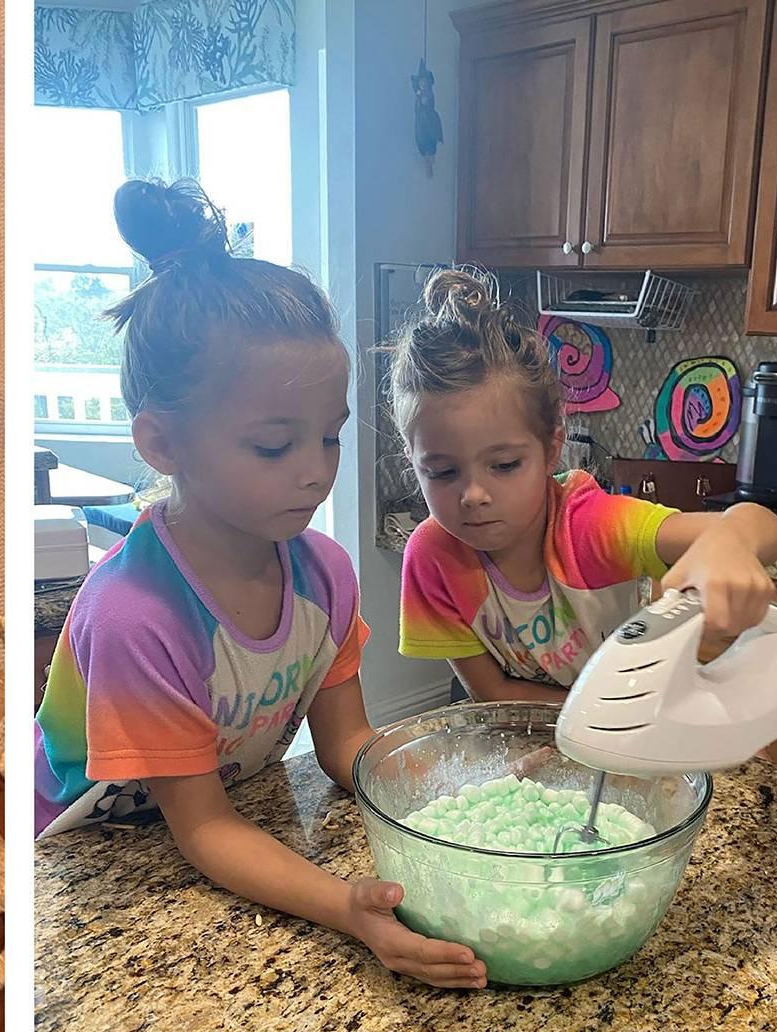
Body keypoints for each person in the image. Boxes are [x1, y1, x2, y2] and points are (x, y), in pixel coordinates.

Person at [35, 179, 485, 990]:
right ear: (162, 442)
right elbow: (203, 828)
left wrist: (461, 797)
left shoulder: (324, 575)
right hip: (96, 872)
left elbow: (348, 743)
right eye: (275, 447)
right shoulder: (137, 616)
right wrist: (349, 906)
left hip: (220, 832)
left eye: (329, 437)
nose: (314, 472)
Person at [392, 268, 777, 703]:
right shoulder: (433, 559)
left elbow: (763, 525)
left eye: (504, 465)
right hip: (543, 728)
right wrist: (590, 724)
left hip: (644, 713)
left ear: (552, 448)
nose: (473, 495)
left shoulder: (592, 527)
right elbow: (493, 693)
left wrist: (729, 542)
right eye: (443, 472)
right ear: (414, 463)